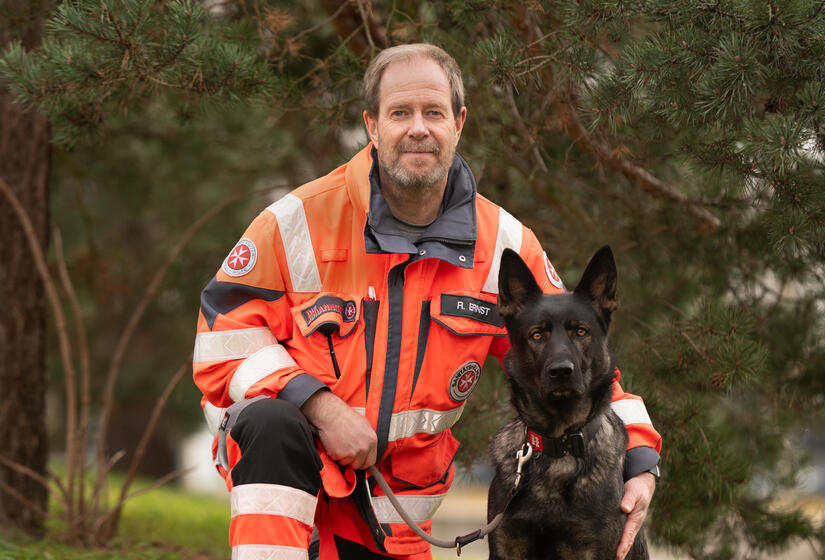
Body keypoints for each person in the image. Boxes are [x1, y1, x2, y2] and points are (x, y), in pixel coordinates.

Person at [192, 43, 661, 560]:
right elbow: (222, 340)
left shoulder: (504, 245)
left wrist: (640, 462)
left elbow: (574, 361)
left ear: (458, 123)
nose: (419, 128)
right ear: (372, 125)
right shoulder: (295, 220)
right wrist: (318, 405)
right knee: (270, 421)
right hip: (296, 491)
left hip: (395, 522)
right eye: (400, 113)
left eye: (433, 112)